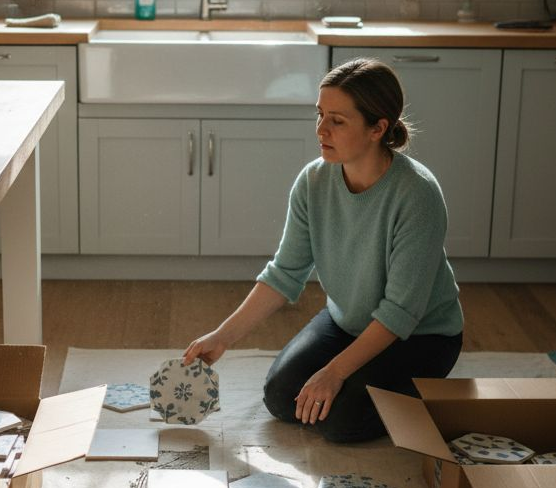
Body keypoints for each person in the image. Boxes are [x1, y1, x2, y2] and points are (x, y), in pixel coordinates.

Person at [182, 57, 464, 443]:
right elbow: (285, 273)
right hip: (348, 322)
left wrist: (334, 372)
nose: (321, 129)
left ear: (377, 128)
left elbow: (401, 313)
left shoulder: (417, 194)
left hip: (420, 336)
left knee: (341, 421)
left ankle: (423, 395)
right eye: (319, 114)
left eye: (337, 120)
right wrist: (222, 337)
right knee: (282, 399)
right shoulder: (313, 181)